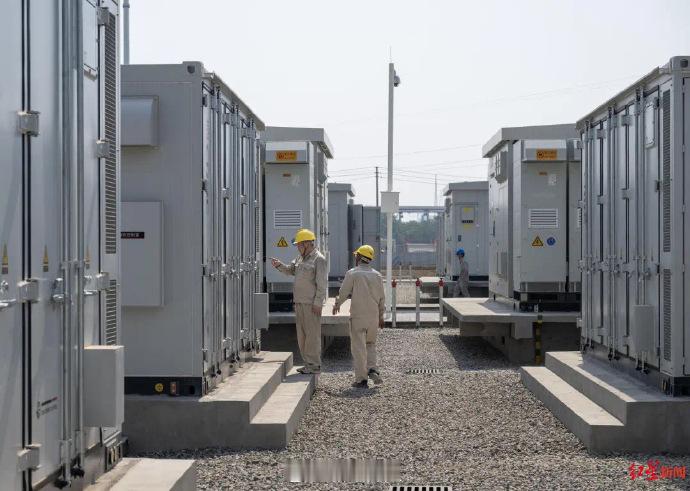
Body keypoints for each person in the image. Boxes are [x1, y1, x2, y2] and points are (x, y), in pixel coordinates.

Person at [270, 228, 327, 374]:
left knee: (312, 336)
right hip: (299, 302)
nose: (297, 248)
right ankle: (308, 363)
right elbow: (291, 270)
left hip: (311, 304)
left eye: (299, 245)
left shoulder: (319, 259)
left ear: (307, 244)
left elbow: (322, 284)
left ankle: (314, 365)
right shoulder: (300, 258)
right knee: (302, 336)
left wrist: (318, 303)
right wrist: (279, 265)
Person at [332, 245, 385, 388]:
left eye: (357, 255)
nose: (355, 257)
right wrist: (381, 316)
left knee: (358, 347)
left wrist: (337, 304)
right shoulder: (377, 275)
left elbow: (344, 292)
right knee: (370, 344)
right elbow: (382, 298)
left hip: (358, 316)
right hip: (373, 316)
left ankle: (361, 379)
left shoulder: (353, 273)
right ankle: (372, 369)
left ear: (360, 257)